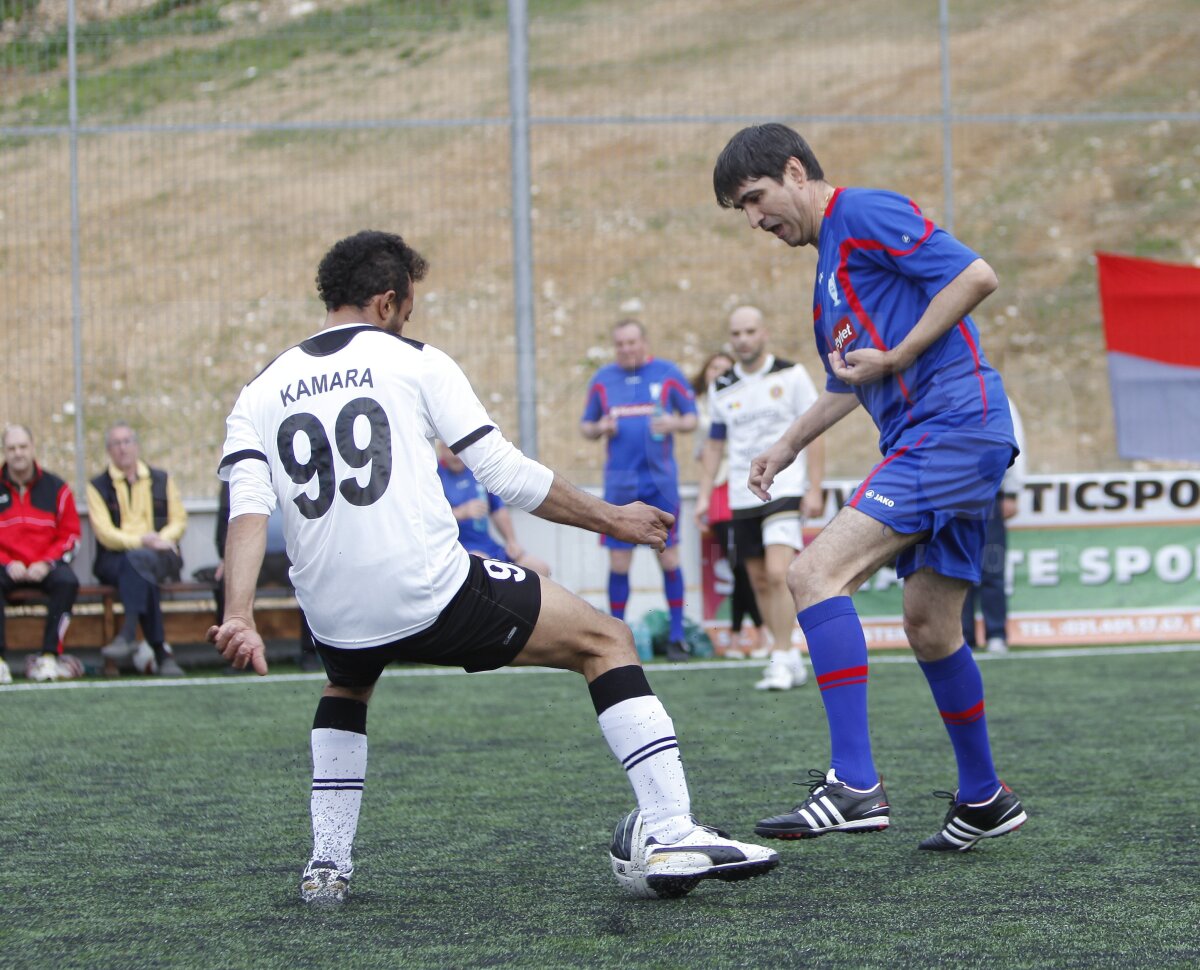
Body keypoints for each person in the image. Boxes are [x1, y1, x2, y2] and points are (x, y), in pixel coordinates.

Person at [209, 230, 778, 905]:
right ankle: (673, 828)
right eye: (410, 309)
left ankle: (327, 865)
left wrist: (238, 614)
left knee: (347, 686)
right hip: (431, 593)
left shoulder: (260, 389)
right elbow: (505, 474)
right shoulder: (413, 362)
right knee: (607, 640)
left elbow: (246, 510)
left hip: (333, 612)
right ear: (388, 303)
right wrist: (612, 518)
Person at [713, 123, 1027, 852]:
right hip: (943, 435)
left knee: (814, 573)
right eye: (743, 212)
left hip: (950, 428)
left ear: (795, 172)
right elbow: (849, 382)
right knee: (930, 624)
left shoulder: (864, 212)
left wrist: (905, 353)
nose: (757, 220)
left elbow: (976, 275)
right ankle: (985, 798)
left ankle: (854, 783)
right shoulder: (828, 275)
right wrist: (786, 443)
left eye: (757, 199)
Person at [696, 307, 825, 691]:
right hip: (741, 492)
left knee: (777, 572)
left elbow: (816, 431)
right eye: (736, 333)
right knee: (757, 579)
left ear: (764, 333)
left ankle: (781, 656)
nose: (743, 339)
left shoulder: (791, 375)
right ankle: (786, 654)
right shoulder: (721, 387)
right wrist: (705, 496)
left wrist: (815, 487)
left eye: (750, 331)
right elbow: (714, 446)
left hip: (784, 487)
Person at [580, 320, 698, 661]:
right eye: (620, 344)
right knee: (619, 562)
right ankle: (618, 636)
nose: (626, 348)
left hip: (660, 486)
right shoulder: (602, 380)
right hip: (619, 487)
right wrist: (599, 427)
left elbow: (691, 417)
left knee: (669, 557)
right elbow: (586, 426)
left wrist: (674, 423)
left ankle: (677, 637)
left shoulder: (668, 373)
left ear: (643, 342)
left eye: (632, 342)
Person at [86, 422, 188, 677]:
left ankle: (130, 633)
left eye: (127, 441)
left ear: (136, 445)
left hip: (161, 553)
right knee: (139, 567)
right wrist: (143, 541)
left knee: (139, 564)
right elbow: (105, 534)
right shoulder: (97, 486)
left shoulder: (162, 479)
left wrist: (160, 539)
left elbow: (179, 520)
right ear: (109, 450)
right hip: (116, 557)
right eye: (116, 444)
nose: (122, 449)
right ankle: (161, 652)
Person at [692, 350, 764, 653]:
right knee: (737, 566)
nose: (718, 373)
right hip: (719, 487)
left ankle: (751, 635)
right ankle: (750, 634)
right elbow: (702, 451)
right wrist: (704, 497)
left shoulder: (742, 401)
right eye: (714, 367)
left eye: (724, 368)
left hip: (739, 484)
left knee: (747, 566)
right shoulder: (699, 408)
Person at [0, 424, 82, 684]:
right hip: (6, 565)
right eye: (12, 448)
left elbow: (71, 536)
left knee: (67, 581)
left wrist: (47, 563)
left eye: (23, 446)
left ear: (33, 448)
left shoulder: (57, 488)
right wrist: (6, 562)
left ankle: (49, 657)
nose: (18, 453)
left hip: (44, 565)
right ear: (4, 451)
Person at [215, 480, 321, 672]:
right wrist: (228, 558)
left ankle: (311, 653)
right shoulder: (238, 475)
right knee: (225, 581)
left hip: (294, 555)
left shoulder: (296, 470)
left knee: (311, 579)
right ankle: (241, 655)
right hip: (255, 559)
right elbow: (225, 522)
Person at [962, 396, 1026, 654]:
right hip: (951, 493)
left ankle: (996, 633)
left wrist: (1011, 491)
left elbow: (1013, 442)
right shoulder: (940, 392)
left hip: (988, 493)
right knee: (956, 569)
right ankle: (961, 637)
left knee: (992, 565)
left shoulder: (996, 395)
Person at [436, 440, 551, 577]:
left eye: (458, 449)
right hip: (459, 550)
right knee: (482, 565)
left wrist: (511, 541)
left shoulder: (476, 470)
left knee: (540, 568)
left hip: (488, 546)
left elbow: (497, 509)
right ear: (441, 449)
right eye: (449, 450)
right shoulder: (435, 475)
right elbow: (430, 519)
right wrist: (461, 513)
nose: (455, 455)